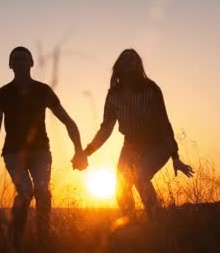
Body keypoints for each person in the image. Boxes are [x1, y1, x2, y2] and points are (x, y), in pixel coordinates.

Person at [0, 46, 88, 247]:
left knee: (42, 191)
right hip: (13, 152)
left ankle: (43, 238)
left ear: (31, 63)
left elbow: (68, 121)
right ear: (10, 65)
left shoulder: (43, 91)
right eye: (15, 58)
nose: (20, 60)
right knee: (25, 191)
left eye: (24, 57)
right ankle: (16, 239)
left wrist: (79, 150)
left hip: (41, 151)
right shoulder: (2, 93)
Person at [82, 48, 194, 218]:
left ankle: (156, 221)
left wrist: (175, 156)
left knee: (141, 179)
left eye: (132, 58)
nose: (128, 60)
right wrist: (87, 152)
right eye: (124, 58)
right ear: (118, 65)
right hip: (131, 145)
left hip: (158, 143)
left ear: (138, 65)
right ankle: (130, 225)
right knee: (121, 187)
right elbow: (106, 128)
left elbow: (164, 121)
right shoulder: (113, 94)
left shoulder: (150, 88)